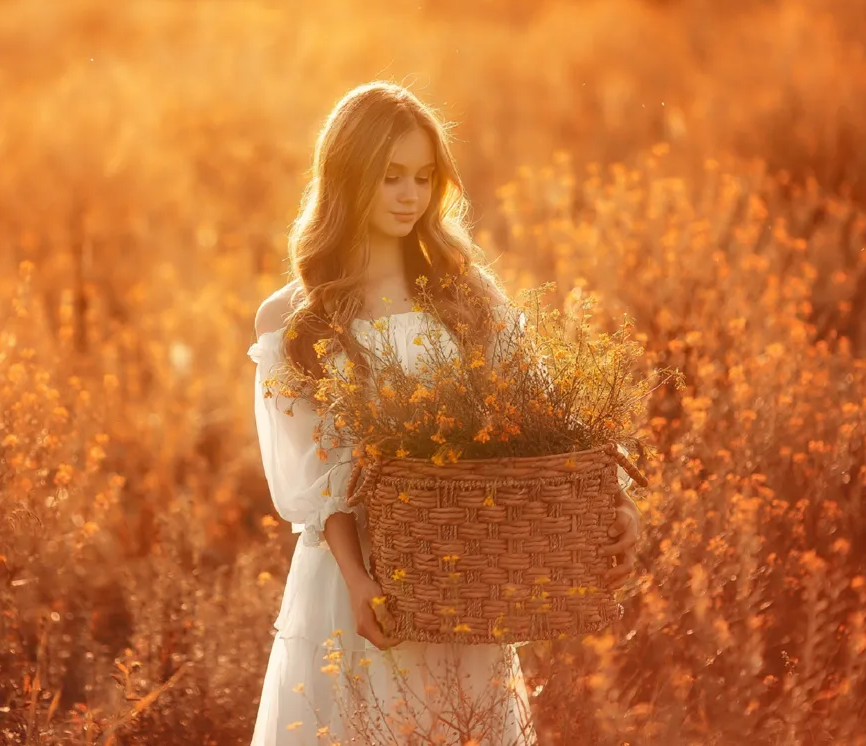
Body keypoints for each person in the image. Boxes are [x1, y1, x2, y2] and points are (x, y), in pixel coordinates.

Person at [248, 82, 643, 745]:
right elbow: (319, 483)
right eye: (391, 177)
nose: (411, 196)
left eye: (425, 177)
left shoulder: (465, 297)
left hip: (459, 579)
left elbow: (544, 420)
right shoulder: (295, 316)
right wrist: (358, 581)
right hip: (354, 592)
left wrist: (613, 499)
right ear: (347, 179)